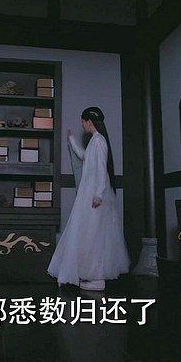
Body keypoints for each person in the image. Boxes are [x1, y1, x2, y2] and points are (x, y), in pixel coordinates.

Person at [47, 106, 129, 291]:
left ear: (89, 121)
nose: (82, 125)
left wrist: (98, 194)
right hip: (90, 192)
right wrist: (72, 140)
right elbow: (85, 157)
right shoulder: (95, 141)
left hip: (95, 194)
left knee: (95, 235)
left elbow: (101, 168)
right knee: (90, 234)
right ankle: (93, 276)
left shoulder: (99, 141)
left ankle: (97, 278)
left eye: (83, 121)